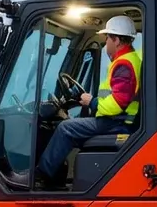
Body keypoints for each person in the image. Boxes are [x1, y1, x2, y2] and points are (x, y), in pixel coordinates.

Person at [38, 15, 142, 187]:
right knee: (71, 128)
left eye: (107, 38)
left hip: (117, 122)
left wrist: (92, 102)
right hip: (121, 120)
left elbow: (118, 103)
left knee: (65, 128)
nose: (106, 43)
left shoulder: (124, 64)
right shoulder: (131, 60)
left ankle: (41, 177)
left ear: (116, 40)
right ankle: (57, 179)